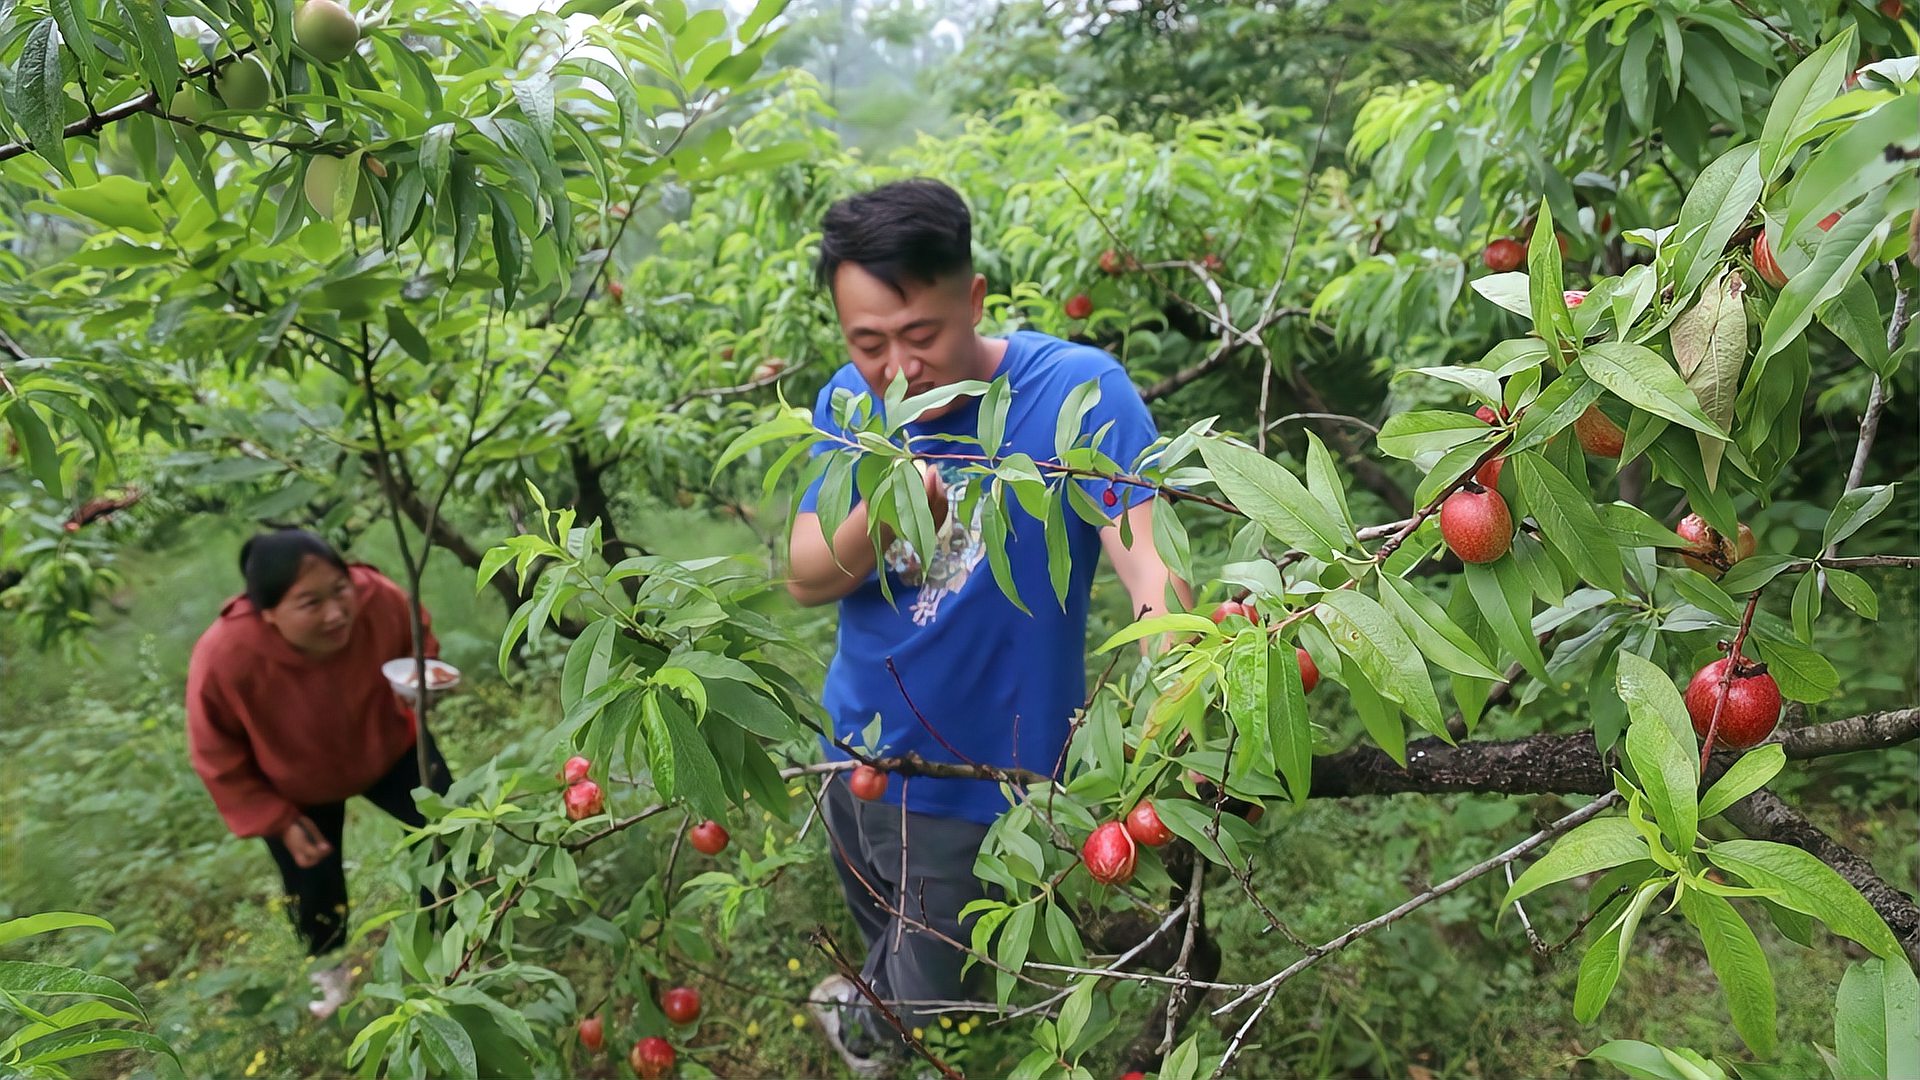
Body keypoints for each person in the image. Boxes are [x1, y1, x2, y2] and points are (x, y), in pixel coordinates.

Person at [788, 178, 1191, 1072]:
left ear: (973, 299)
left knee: (936, 997)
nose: (897, 368)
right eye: (868, 343)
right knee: (880, 921)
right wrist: (886, 514)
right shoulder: (848, 409)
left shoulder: (1077, 395)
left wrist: (1176, 707)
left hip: (986, 780)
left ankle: (876, 1034)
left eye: (921, 335)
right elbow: (807, 574)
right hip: (854, 750)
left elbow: (1150, 566)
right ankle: (867, 1002)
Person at [185, 529, 453, 1019]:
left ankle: (455, 947)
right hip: (297, 788)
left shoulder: (380, 600)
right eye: (310, 603)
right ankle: (330, 977)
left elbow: (418, 637)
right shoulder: (226, 655)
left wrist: (421, 679)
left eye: (340, 589)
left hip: (387, 748)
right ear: (266, 613)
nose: (336, 612)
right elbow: (214, 750)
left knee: (449, 835)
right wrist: (275, 818)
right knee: (314, 888)